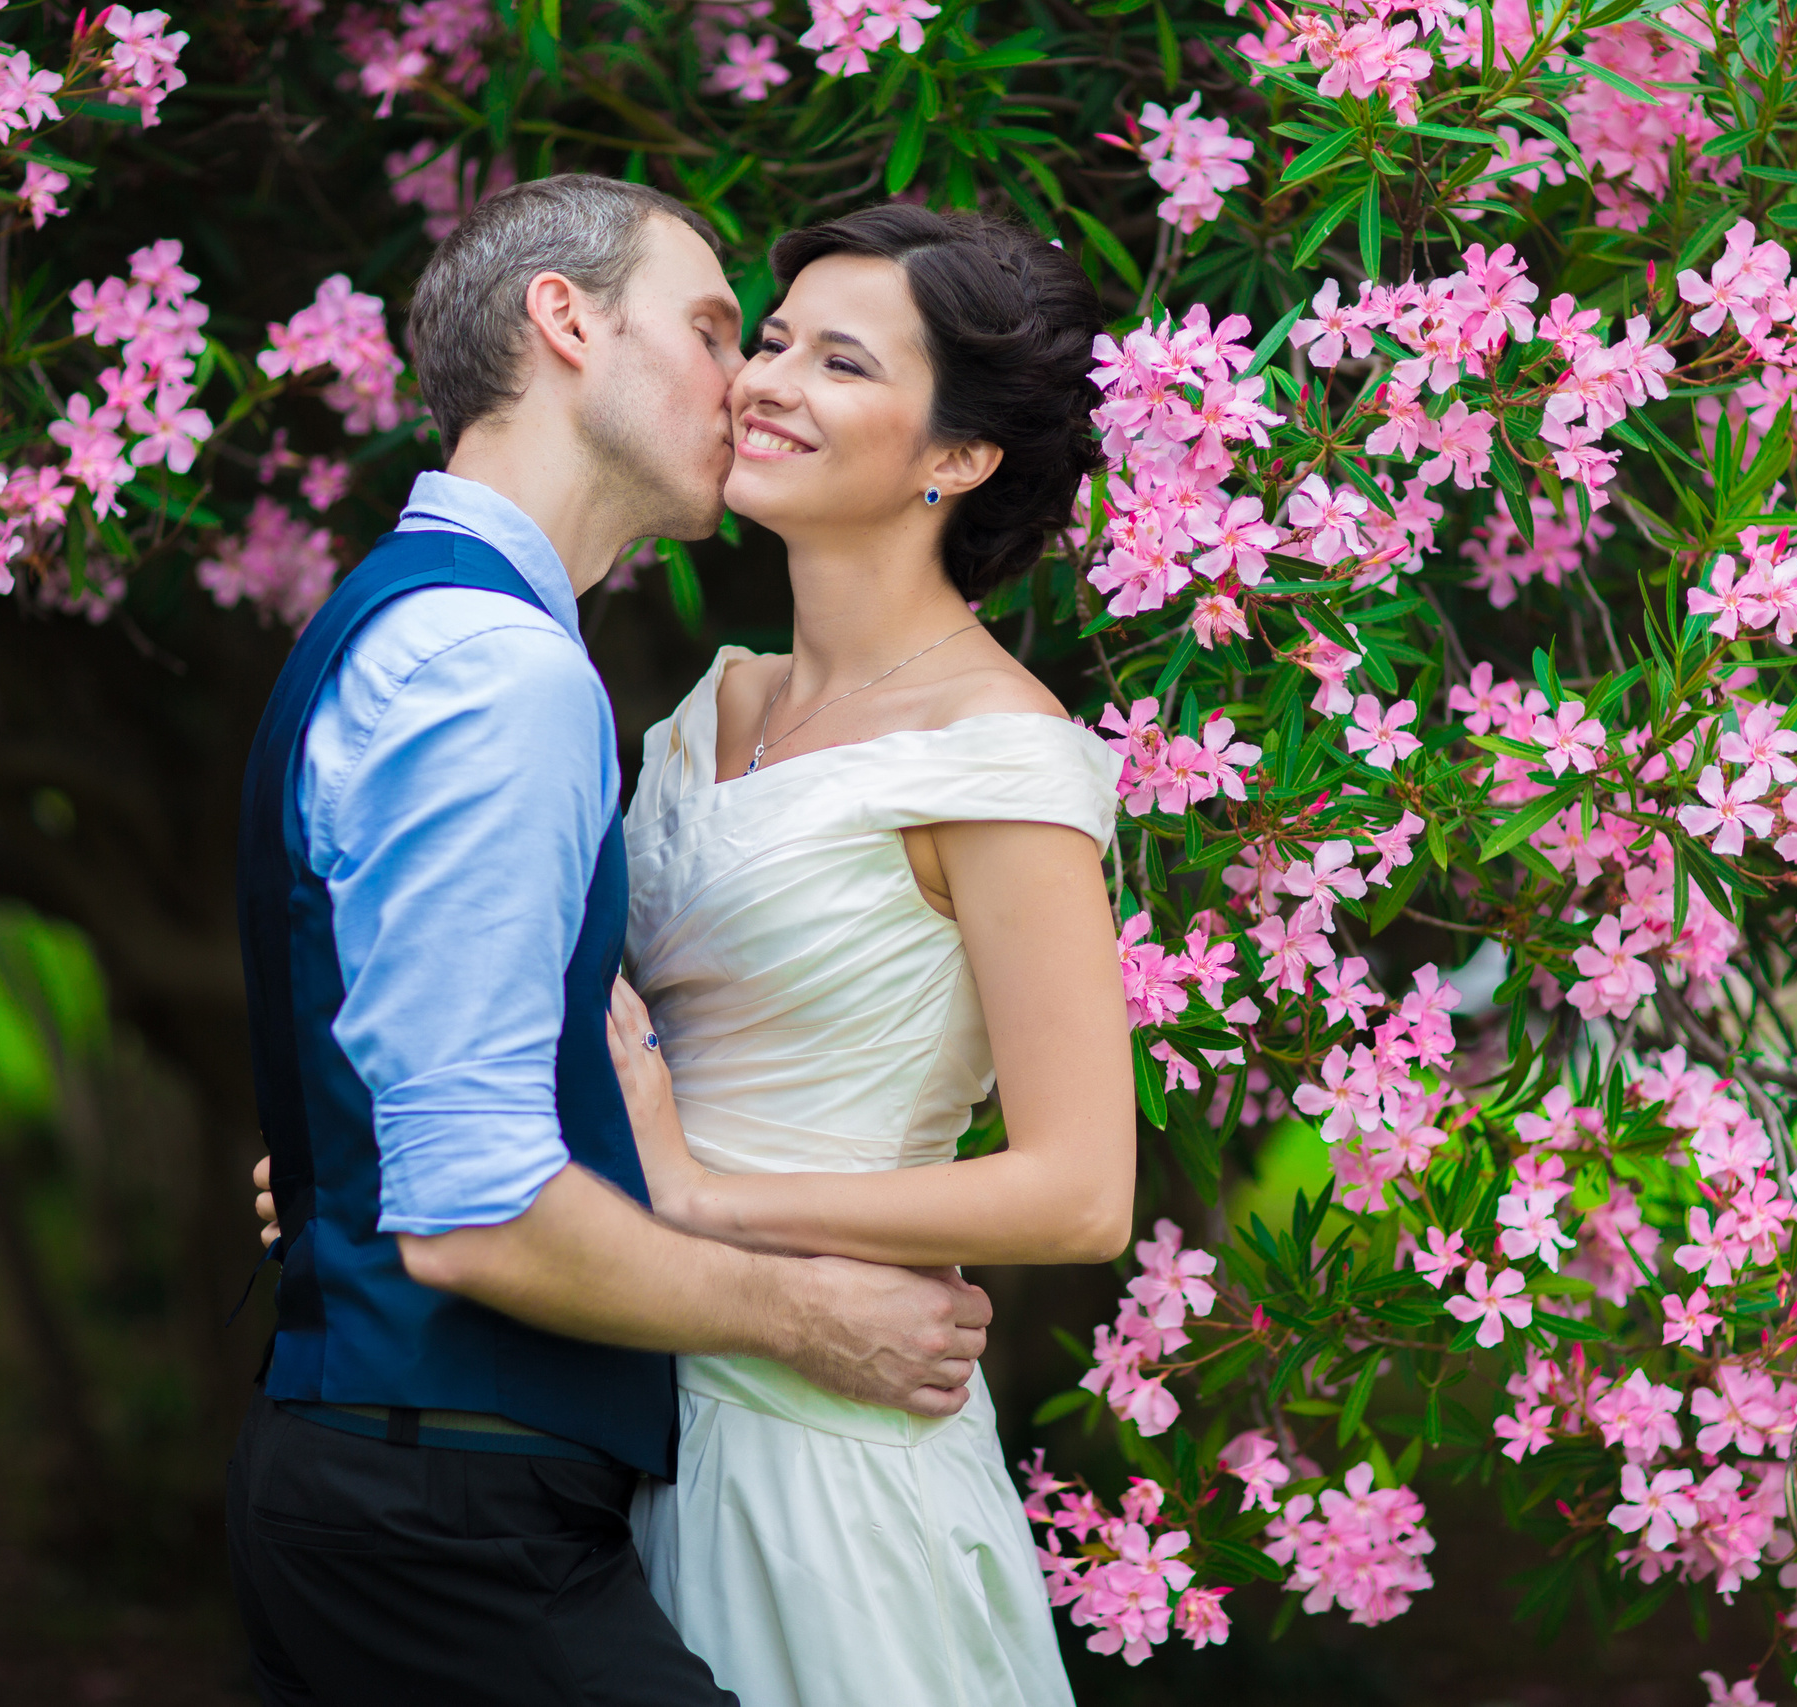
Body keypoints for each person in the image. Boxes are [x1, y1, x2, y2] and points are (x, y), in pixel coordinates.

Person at [224, 174, 999, 1707]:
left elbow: (436, 1084)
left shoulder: (434, 627)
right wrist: (812, 1315)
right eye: (719, 330)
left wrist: (345, 1161)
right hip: (441, 1519)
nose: (753, 383)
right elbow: (474, 1216)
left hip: (432, 1492)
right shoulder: (497, 672)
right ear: (565, 321)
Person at [604, 204, 1135, 1706]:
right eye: (770, 341)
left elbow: (1082, 1188)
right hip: (630, 1406)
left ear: (955, 459)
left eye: (840, 362)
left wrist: (707, 1197)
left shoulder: (1000, 757)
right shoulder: (705, 715)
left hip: (827, 1452)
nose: (767, 381)